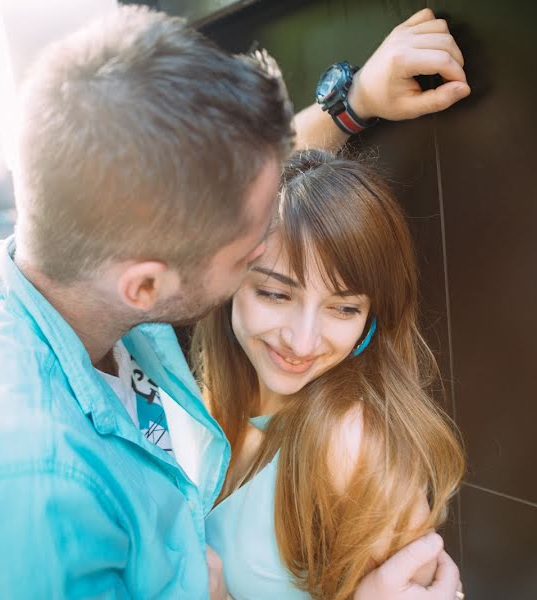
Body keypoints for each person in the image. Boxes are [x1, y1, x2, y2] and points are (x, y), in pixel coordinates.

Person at [0, 5, 470, 599]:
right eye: (255, 268)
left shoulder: (61, 272)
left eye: (342, 306)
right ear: (148, 285)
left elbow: (268, 205)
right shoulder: (31, 512)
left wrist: (351, 104)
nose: (303, 336)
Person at [195, 149, 465, 600]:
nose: (302, 342)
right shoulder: (207, 406)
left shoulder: (351, 441)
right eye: (275, 294)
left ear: (371, 318)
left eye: (343, 308)